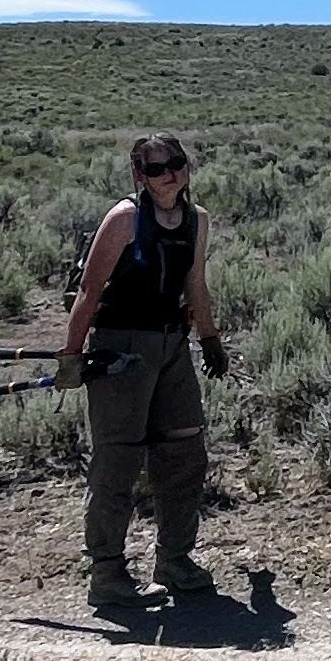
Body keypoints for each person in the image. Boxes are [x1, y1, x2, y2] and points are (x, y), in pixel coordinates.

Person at [60, 134, 233, 608]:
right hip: (121, 347)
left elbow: (195, 282)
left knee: (184, 450)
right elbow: (89, 293)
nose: (170, 174)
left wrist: (210, 338)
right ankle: (108, 573)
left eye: (176, 164)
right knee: (118, 460)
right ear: (139, 175)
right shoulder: (124, 219)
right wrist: (71, 355)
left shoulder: (196, 220)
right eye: (157, 169)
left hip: (171, 344)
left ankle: (174, 559)